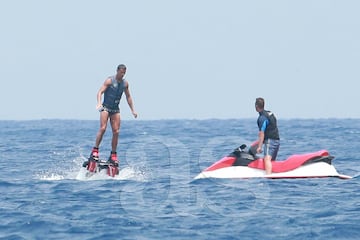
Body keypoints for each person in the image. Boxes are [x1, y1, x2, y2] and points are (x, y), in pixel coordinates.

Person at [89, 64, 138, 169]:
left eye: (124, 73)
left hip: (115, 109)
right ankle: (95, 150)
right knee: (103, 128)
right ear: (117, 71)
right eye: (121, 72)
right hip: (105, 107)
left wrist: (133, 110)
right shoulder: (109, 81)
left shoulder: (125, 84)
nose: (122, 74)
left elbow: (128, 97)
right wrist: (98, 103)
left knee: (116, 132)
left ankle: (113, 155)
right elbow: (100, 92)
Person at [254, 97, 280, 175]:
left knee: (267, 159)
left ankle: (268, 176)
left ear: (256, 106)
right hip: (277, 140)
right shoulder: (270, 113)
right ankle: (274, 173)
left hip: (270, 141)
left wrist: (259, 147)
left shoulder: (262, 118)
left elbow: (262, 133)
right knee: (272, 161)